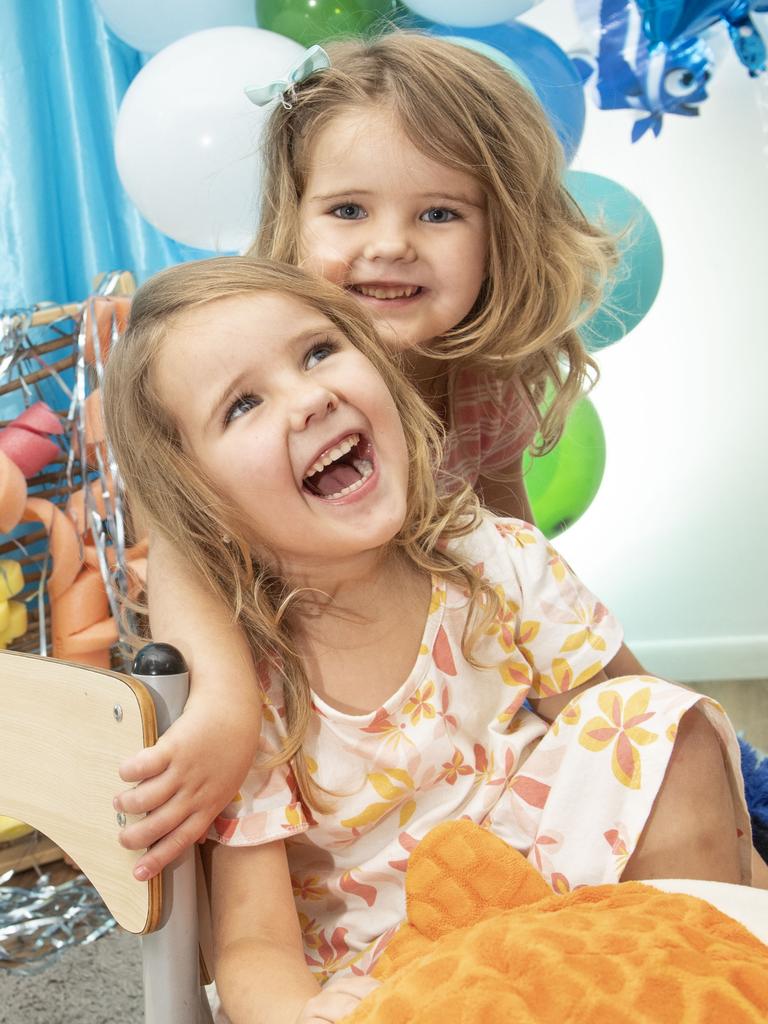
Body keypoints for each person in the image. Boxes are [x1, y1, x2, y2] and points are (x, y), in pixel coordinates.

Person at [104, 257, 752, 1024]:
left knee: (649, 719)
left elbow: (640, 759)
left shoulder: (492, 558)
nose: (310, 398)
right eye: (243, 404)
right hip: (405, 972)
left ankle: (701, 968)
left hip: (569, 916)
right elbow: (254, 946)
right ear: (201, 502)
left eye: (318, 352)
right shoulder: (250, 688)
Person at [115, 32, 641, 881]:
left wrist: (568, 675)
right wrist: (223, 701)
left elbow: (514, 539)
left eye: (438, 213)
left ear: (498, 231)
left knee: (636, 702)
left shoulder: (479, 381)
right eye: (348, 210)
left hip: (439, 676)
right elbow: (178, 545)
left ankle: (702, 775)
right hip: (310, 692)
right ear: (293, 217)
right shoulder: (260, 371)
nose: (390, 244)